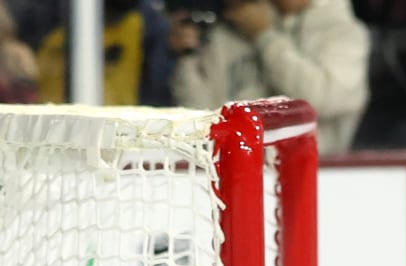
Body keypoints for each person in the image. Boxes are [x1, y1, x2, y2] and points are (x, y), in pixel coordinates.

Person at [168, 0, 371, 154]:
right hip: (234, 172)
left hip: (318, 175)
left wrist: (265, 37)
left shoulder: (343, 31)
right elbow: (202, 117)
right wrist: (187, 57)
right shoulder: (231, 30)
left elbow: (321, 100)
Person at [34, 0, 171, 105]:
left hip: (124, 120)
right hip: (60, 116)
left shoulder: (142, 24)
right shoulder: (59, 30)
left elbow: (158, 80)